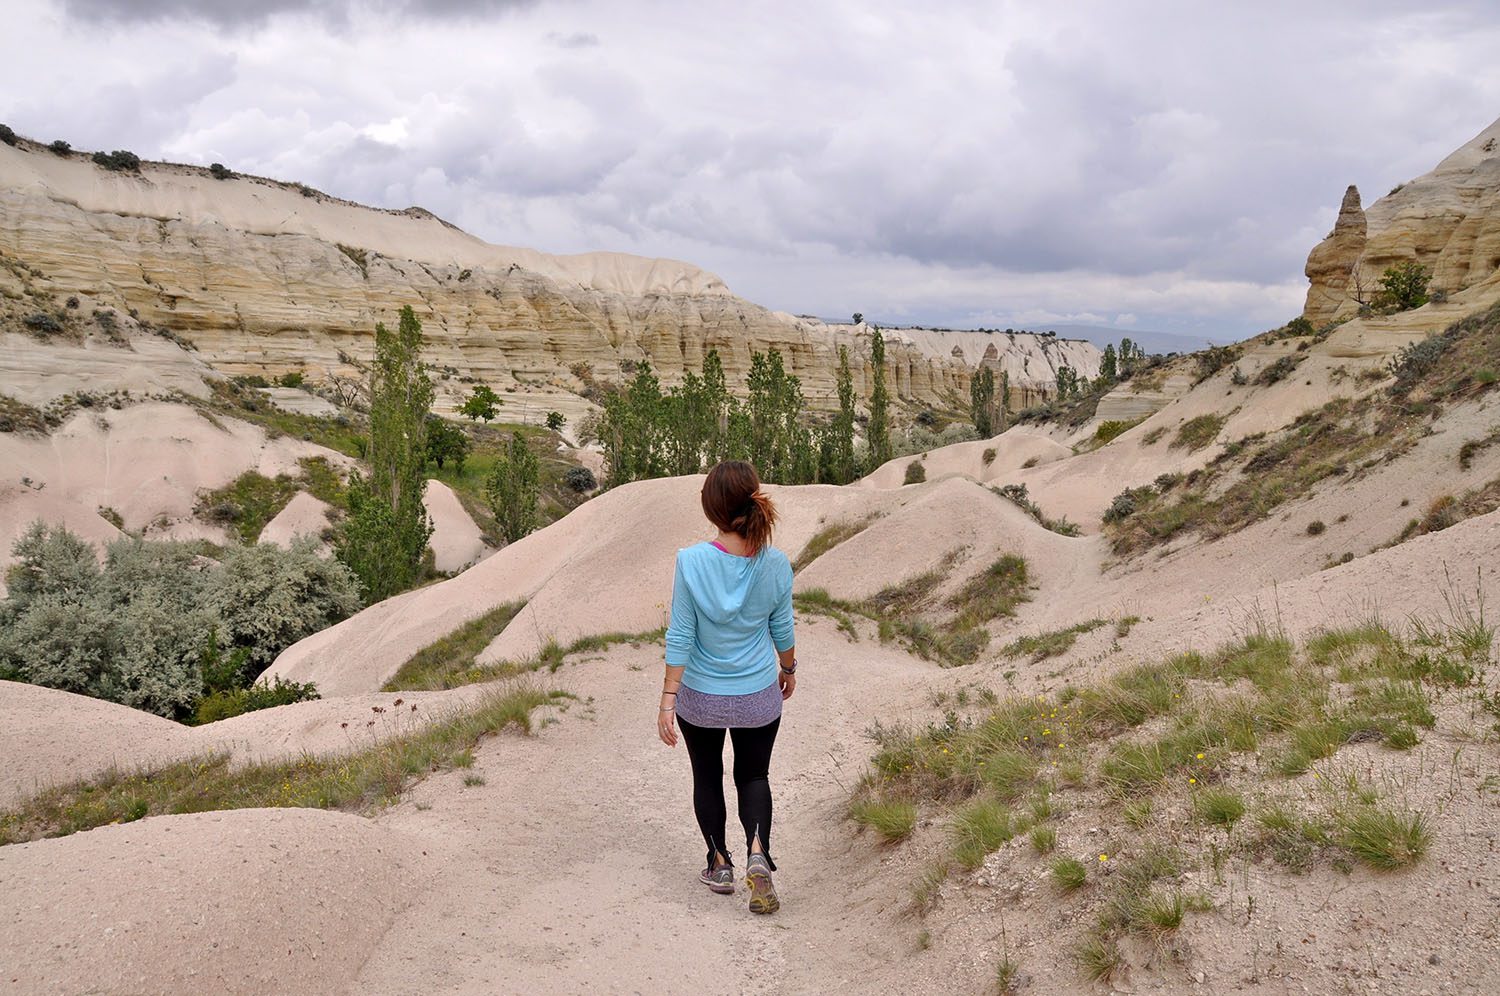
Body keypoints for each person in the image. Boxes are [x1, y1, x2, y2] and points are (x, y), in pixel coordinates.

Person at [657, 460, 797, 915]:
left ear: (711, 508)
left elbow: (681, 634)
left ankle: (719, 864)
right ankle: (758, 855)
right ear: (753, 500)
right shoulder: (775, 564)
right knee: (754, 776)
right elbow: (782, 626)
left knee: (707, 775)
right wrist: (788, 669)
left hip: (700, 696)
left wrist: (667, 699)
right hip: (758, 693)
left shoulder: (691, 561)